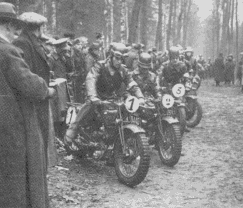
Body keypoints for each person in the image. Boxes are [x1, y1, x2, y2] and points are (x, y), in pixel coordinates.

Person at [0, 3, 56, 207]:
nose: (17, 33)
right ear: (6, 25)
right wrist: (47, 90)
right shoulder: (7, 51)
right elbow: (29, 84)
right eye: (15, 28)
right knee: (19, 175)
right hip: (13, 122)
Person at [64, 42, 144, 150]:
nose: (119, 61)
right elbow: (91, 78)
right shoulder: (100, 65)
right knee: (89, 105)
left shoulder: (123, 70)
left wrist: (140, 97)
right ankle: (72, 129)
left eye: (122, 59)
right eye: (117, 58)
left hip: (112, 98)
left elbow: (132, 83)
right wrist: (93, 96)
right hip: (97, 96)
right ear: (111, 56)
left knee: (124, 112)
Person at [13, 11, 58, 167]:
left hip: (39, 100)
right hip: (32, 102)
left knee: (40, 143)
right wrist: (45, 89)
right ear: (38, 28)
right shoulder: (23, 43)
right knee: (34, 144)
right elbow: (27, 75)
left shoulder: (31, 42)